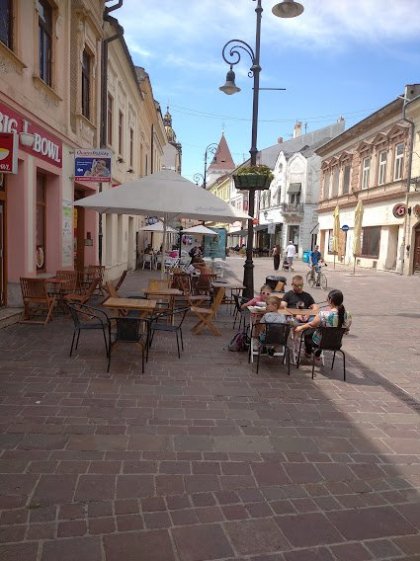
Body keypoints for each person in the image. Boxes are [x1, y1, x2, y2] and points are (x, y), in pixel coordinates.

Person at [294, 289, 352, 362]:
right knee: (324, 333)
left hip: (321, 342)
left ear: (330, 300)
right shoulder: (348, 315)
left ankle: (308, 353)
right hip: (336, 343)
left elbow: (311, 324)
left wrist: (301, 327)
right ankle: (317, 354)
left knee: (308, 333)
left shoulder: (323, 314)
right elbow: (346, 330)